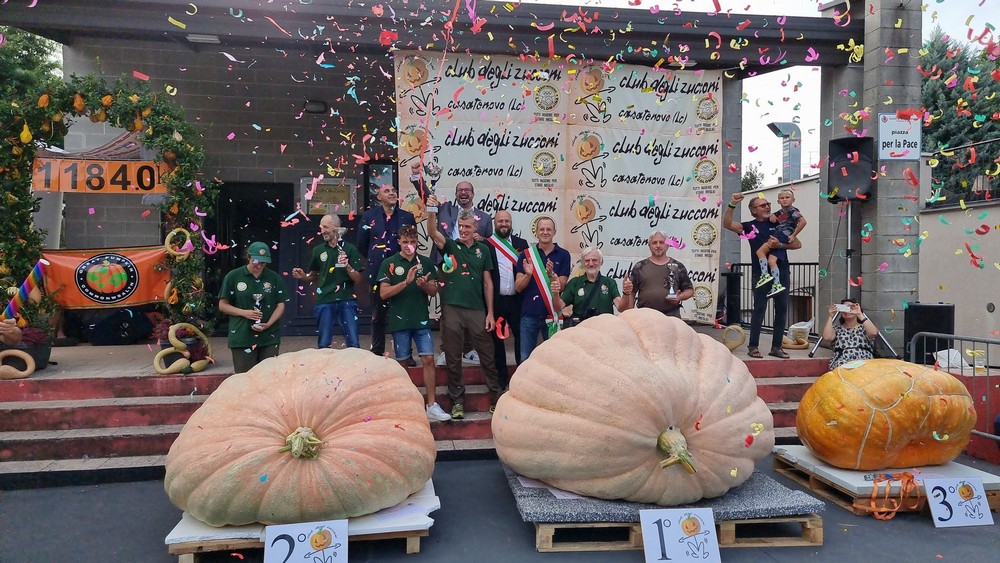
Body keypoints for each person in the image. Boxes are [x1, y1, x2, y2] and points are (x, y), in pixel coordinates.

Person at [426, 194, 502, 420]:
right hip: (452, 307)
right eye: (461, 226)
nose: (464, 230)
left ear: (475, 227)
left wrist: (490, 312)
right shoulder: (451, 246)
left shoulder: (484, 250)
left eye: (468, 226)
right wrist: (432, 209)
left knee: (487, 355)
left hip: (478, 309)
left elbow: (488, 283)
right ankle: (457, 401)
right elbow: (432, 232)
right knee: (452, 356)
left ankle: (496, 398)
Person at [378, 225, 450, 422]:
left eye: (413, 242)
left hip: (421, 319)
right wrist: (406, 282)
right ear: (399, 242)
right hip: (399, 320)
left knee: (428, 359)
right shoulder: (389, 263)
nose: (409, 245)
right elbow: (383, 293)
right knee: (402, 363)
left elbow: (434, 290)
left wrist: (424, 285)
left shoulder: (425, 262)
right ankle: (406, 404)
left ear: (417, 242)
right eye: (405, 242)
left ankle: (432, 405)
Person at [723, 192, 790, 359]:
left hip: (782, 273)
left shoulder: (779, 223)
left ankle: (776, 347)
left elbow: (796, 242)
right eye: (762, 205)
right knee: (759, 309)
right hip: (761, 274)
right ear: (753, 211)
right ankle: (753, 347)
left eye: (768, 204)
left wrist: (780, 243)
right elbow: (727, 224)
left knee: (781, 310)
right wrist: (732, 204)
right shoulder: (748, 226)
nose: (767, 206)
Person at [357, 182, 416, 357]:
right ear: (379, 197)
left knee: (404, 313)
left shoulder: (407, 217)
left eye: (394, 190)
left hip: (403, 271)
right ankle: (377, 352)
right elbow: (362, 245)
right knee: (378, 315)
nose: (391, 193)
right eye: (387, 191)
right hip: (378, 272)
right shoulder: (368, 217)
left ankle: (406, 353)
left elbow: (412, 243)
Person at [292, 214, 365, 349]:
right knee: (324, 344)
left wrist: (347, 266)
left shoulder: (350, 249)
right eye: (321, 227)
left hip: (346, 299)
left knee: (353, 343)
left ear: (337, 228)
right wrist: (303, 276)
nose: (322, 231)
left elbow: (358, 279)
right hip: (324, 300)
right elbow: (313, 276)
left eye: (325, 227)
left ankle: (355, 369)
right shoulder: (318, 250)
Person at [218, 242, 288, 373]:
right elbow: (222, 305)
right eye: (256, 261)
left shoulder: (273, 277)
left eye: (264, 262)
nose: (260, 265)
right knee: (245, 378)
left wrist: (268, 324)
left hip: (269, 336)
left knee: (270, 377)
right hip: (242, 335)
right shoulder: (233, 276)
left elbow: (280, 305)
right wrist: (244, 313)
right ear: (248, 257)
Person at [514, 216, 571, 360]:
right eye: (542, 229)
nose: (545, 232)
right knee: (525, 357)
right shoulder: (526, 255)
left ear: (554, 232)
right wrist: (528, 274)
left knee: (554, 358)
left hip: (552, 314)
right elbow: (518, 287)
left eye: (548, 229)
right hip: (529, 314)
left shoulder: (564, 255)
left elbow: (562, 284)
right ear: (536, 232)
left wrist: (552, 275)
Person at [484, 210, 528, 389]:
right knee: (497, 342)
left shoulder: (521, 244)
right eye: (500, 221)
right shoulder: (487, 245)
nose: (503, 224)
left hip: (517, 300)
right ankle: (501, 380)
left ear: (511, 223)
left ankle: (520, 378)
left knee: (521, 338)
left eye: (506, 221)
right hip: (497, 301)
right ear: (495, 223)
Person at [621, 230, 694, 318]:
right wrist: (630, 314)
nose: (658, 245)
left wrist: (679, 297)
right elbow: (632, 292)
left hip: (671, 317)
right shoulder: (639, 267)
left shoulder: (677, 266)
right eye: (654, 243)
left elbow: (690, 290)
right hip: (645, 317)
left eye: (661, 242)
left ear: (667, 245)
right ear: (649, 246)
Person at [552, 247, 629, 324]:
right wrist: (556, 293)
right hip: (581, 329)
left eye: (594, 260)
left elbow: (621, 308)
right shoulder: (575, 283)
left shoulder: (610, 282)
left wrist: (626, 293)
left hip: (605, 328)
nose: (591, 264)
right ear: (582, 263)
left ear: (601, 262)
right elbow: (558, 307)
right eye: (587, 261)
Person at [755, 188, 806, 296]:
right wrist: (772, 215)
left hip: (782, 235)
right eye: (782, 198)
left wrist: (793, 235)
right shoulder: (780, 212)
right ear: (778, 201)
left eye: (787, 197)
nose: (784, 200)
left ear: (793, 199)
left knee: (760, 252)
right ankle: (776, 284)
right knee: (772, 261)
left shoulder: (793, 210)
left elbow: (803, 222)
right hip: (781, 236)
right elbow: (772, 216)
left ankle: (764, 275)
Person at [822, 298, 878, 370]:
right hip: (843, 361)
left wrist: (859, 314)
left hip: (864, 360)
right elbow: (827, 337)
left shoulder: (864, 326)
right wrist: (830, 316)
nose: (847, 311)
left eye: (851, 308)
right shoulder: (837, 328)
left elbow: (873, 333)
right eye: (844, 308)